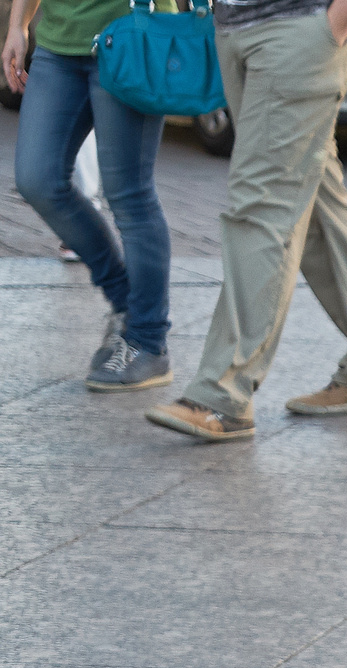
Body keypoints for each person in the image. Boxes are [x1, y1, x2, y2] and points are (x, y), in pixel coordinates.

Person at [142, 0, 347, 442]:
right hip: (240, 25)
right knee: (315, 195)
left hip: (301, 28)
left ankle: (221, 393)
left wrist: (332, 26)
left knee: (262, 201)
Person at [4, 0, 175, 391]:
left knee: (129, 195)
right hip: (58, 45)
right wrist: (19, 25)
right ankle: (125, 301)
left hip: (132, 36)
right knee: (37, 179)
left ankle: (148, 342)